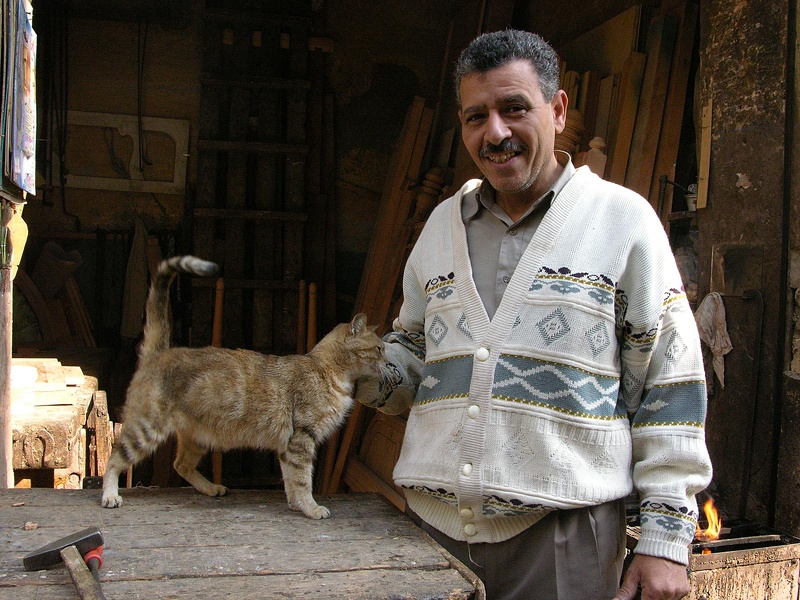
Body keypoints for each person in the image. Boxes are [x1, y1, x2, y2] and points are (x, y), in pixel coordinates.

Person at [356, 28, 712, 600]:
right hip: (432, 529)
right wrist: (358, 370)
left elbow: (670, 386)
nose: (495, 132)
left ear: (559, 109)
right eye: (476, 117)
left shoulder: (623, 223)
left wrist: (665, 540)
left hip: (563, 538)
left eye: (514, 108)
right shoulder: (438, 229)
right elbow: (417, 357)